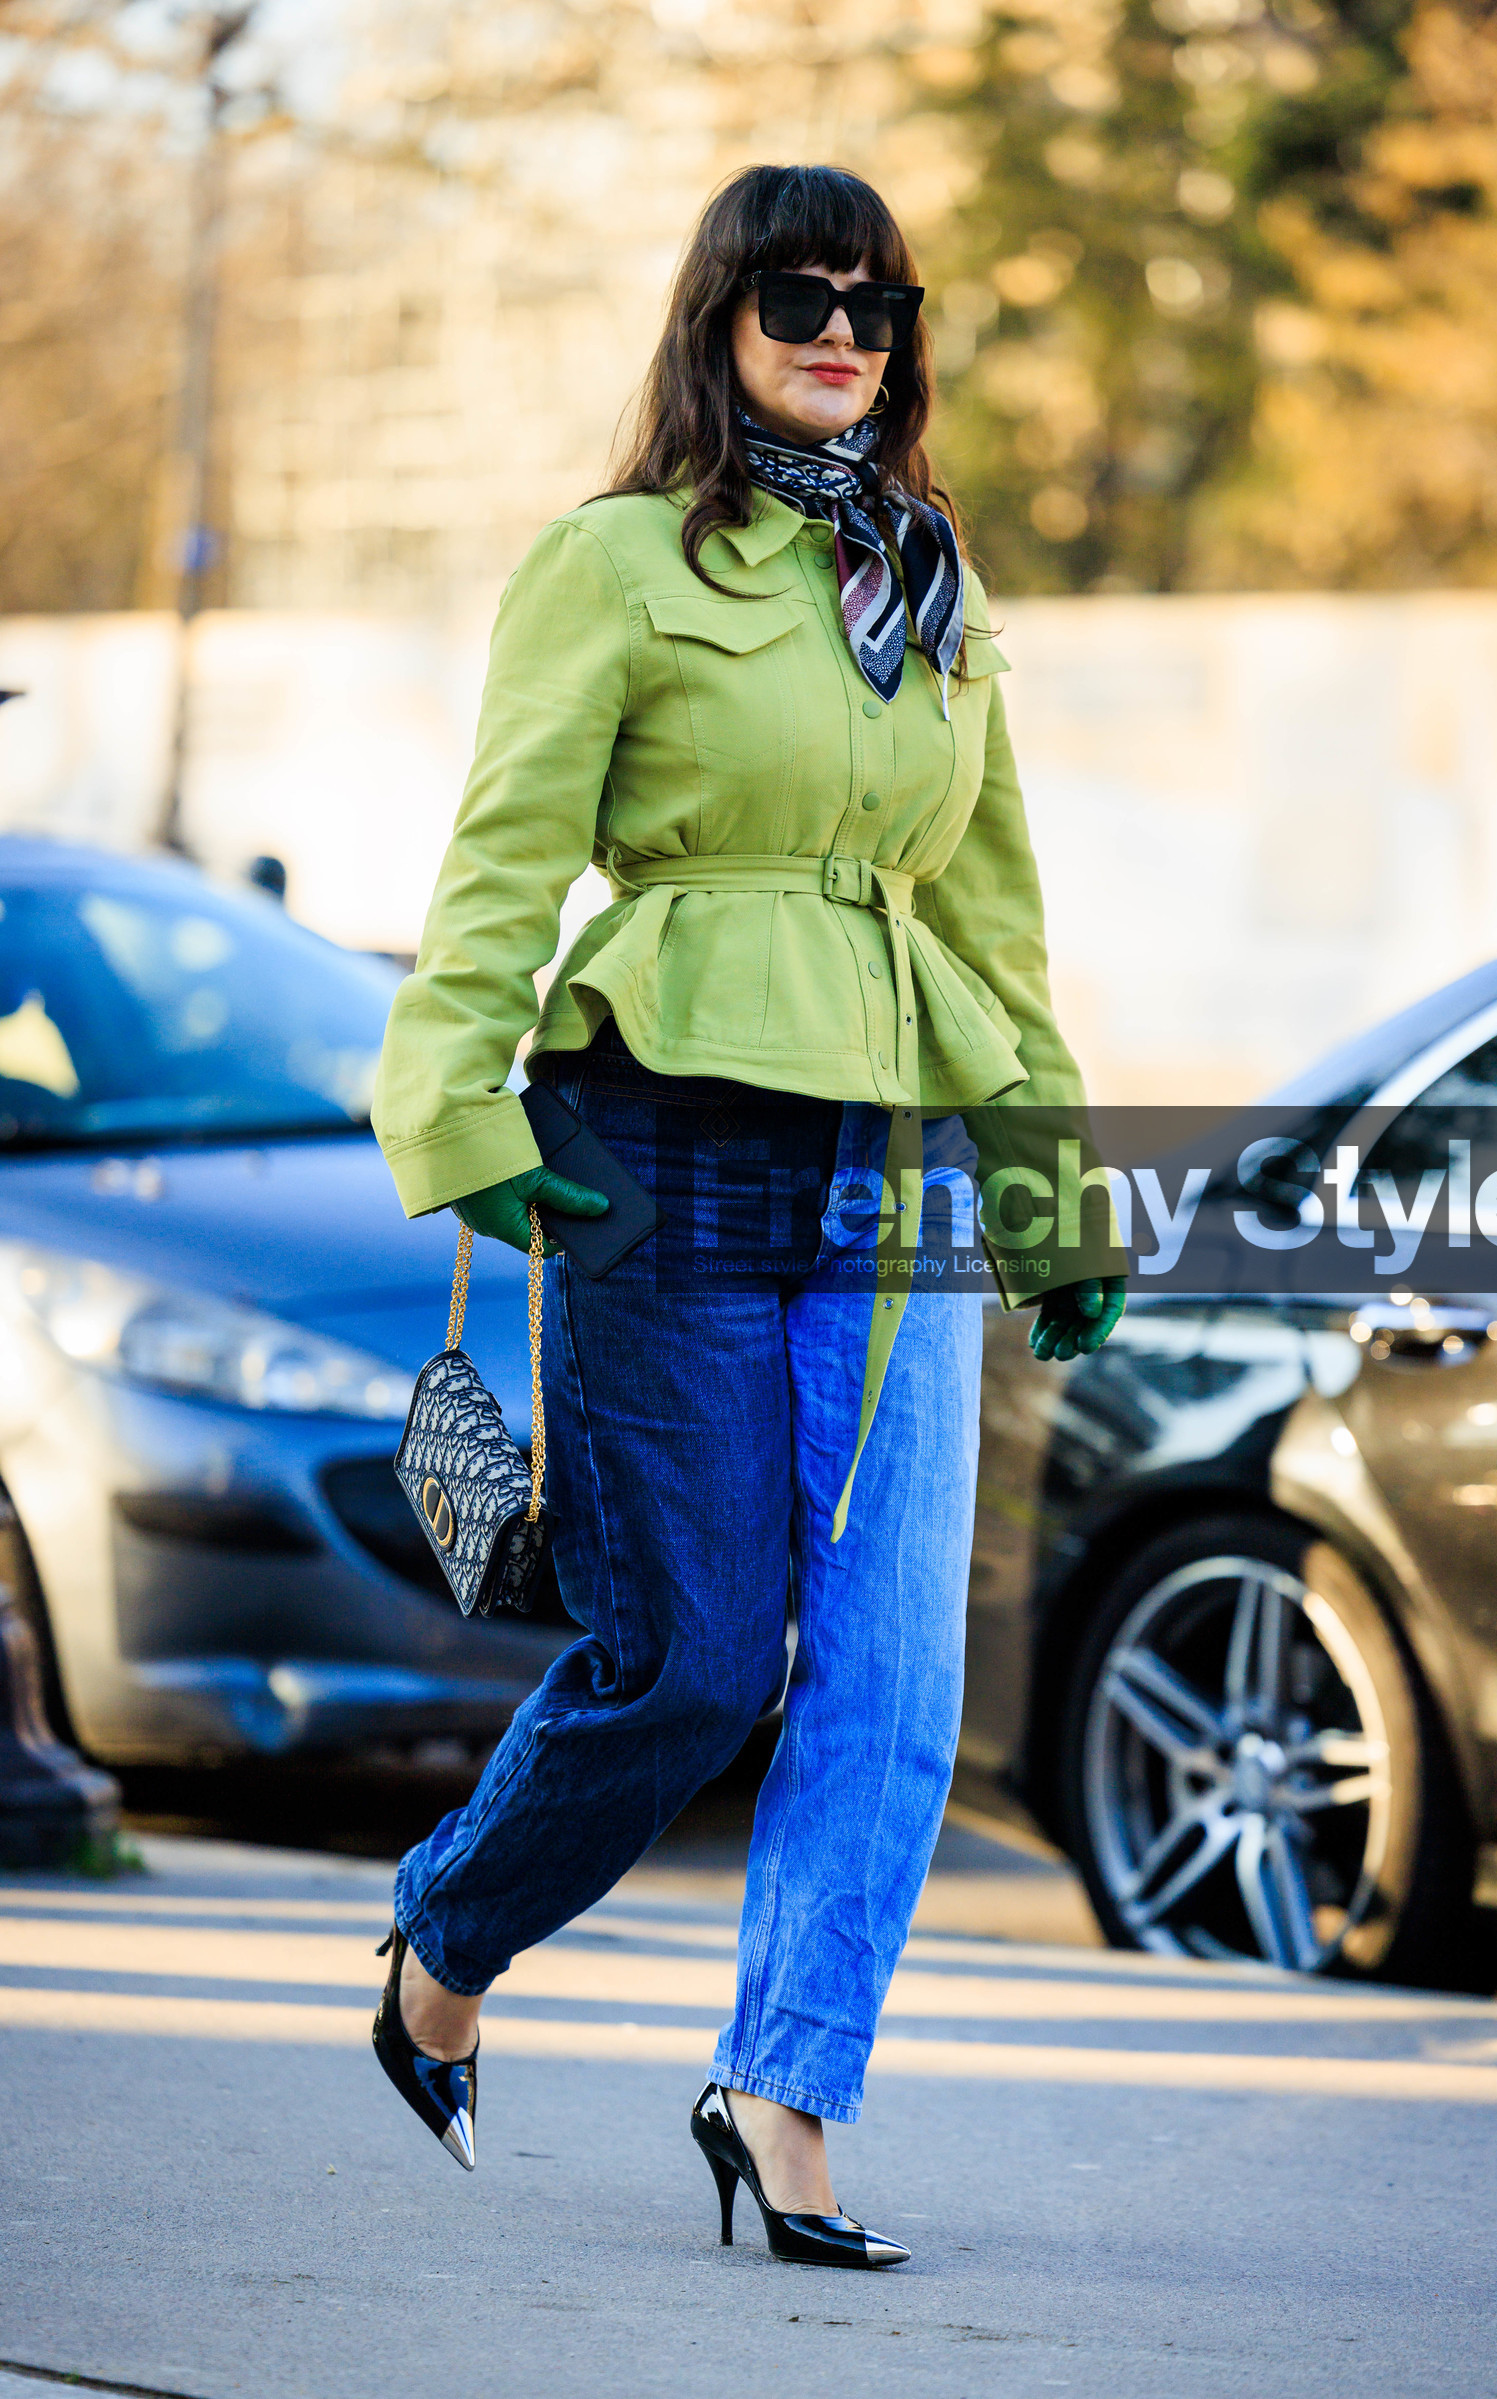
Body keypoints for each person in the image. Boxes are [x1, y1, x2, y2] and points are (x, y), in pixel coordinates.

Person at [367, 160, 1125, 2270]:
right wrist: (451, 1105)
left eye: (877, 306)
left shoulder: (931, 581)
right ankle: (447, 1933)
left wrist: (1054, 1184)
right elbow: (501, 858)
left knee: (884, 1679)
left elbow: (993, 910)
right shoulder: (612, 563)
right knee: (692, 1663)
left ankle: (784, 2098)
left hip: (892, 1157)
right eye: (797, 297)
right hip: (659, 1144)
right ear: (714, 316)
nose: (841, 337)